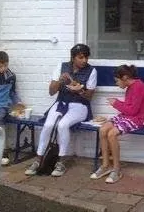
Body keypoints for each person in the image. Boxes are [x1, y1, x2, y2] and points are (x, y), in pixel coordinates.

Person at [25, 43, 97, 177]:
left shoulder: (91, 71)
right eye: (81, 57)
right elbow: (51, 92)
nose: (84, 61)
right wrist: (60, 81)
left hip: (80, 106)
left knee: (63, 125)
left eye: (86, 57)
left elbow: (89, 97)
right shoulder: (62, 67)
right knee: (48, 125)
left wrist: (79, 89)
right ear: (73, 57)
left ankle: (61, 161)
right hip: (61, 103)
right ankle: (38, 160)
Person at [90, 64, 144, 184]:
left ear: (125, 77)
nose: (116, 84)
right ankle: (105, 165)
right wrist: (118, 104)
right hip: (127, 117)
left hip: (138, 119)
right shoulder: (130, 88)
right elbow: (128, 108)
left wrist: (116, 103)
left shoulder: (139, 87)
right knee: (102, 129)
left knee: (112, 134)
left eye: (117, 81)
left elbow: (133, 111)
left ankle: (116, 169)